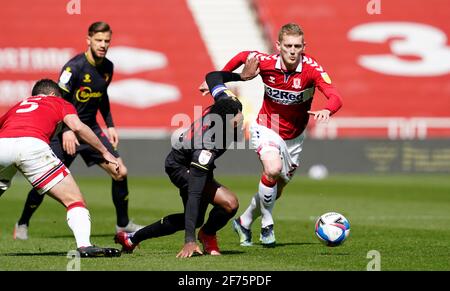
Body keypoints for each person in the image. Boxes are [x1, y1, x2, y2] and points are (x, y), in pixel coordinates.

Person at [199, 23, 343, 247]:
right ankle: (267, 223)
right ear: (278, 46)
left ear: (304, 46)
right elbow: (242, 56)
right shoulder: (265, 62)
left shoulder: (312, 70)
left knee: (276, 189)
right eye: (288, 46)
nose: (293, 51)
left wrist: (327, 109)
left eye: (297, 46)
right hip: (266, 126)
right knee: (272, 169)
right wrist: (221, 80)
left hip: (294, 137)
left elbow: (335, 96)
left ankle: (244, 222)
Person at [13, 21, 143, 240]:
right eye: (99, 40)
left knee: (120, 171)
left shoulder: (108, 67)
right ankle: (23, 223)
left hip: (90, 130)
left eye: (107, 41)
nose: (103, 45)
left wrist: (109, 124)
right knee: (45, 178)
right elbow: (57, 101)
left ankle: (123, 225)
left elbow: (102, 97)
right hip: (66, 129)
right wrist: (66, 130)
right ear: (88, 40)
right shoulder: (73, 68)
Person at [114, 66, 258, 258]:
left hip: (192, 160)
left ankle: (132, 238)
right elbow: (195, 193)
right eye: (236, 122)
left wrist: (241, 76)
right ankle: (203, 235)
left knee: (201, 216)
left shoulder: (228, 101)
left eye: (240, 117)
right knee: (228, 204)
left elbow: (212, 76)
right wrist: (189, 241)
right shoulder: (207, 147)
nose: (240, 121)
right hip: (181, 166)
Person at [0, 79, 121, 257]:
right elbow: (78, 127)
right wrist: (104, 152)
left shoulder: (19, 105)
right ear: (53, 94)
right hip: (32, 145)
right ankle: (84, 245)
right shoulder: (58, 101)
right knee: (74, 200)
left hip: (3, 145)